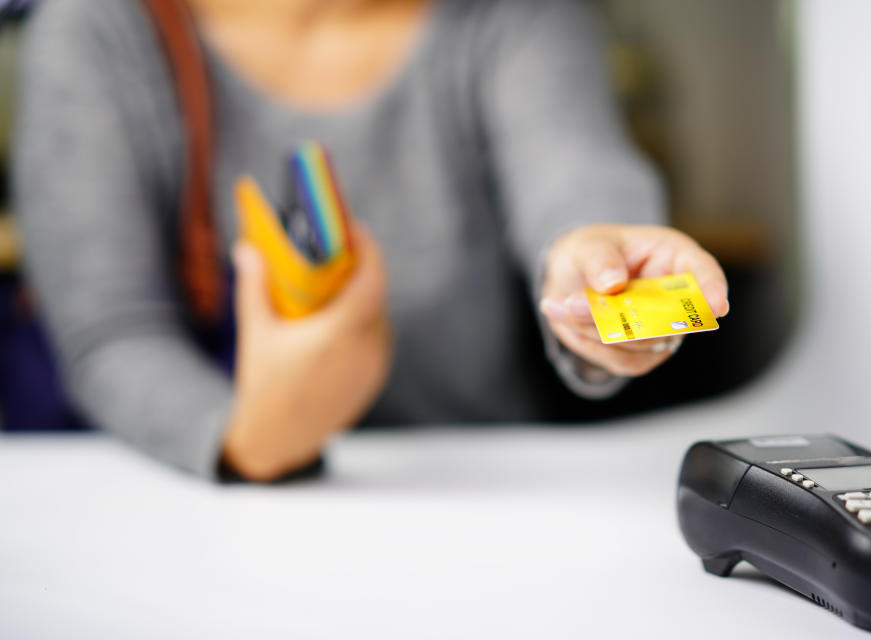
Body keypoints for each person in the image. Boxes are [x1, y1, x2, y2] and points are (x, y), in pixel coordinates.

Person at [13, 0, 729, 482]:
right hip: (199, 513)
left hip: (479, 496)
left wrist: (607, 268)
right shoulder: (95, 27)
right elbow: (108, 334)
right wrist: (252, 440)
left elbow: (577, 180)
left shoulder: (512, 14)